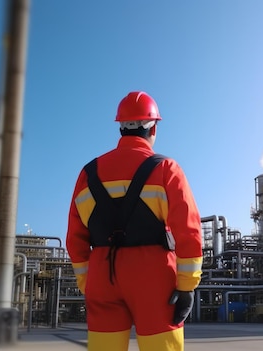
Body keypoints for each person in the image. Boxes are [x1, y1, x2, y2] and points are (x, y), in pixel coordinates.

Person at [66, 91, 203, 351]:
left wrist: (89, 283)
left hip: (102, 276)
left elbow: (75, 238)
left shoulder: (87, 173)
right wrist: (186, 286)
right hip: (154, 277)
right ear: (154, 128)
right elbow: (189, 232)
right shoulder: (166, 169)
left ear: (121, 128)